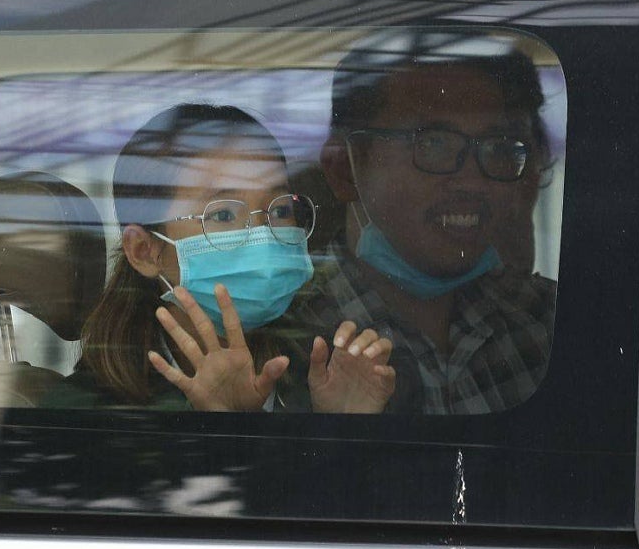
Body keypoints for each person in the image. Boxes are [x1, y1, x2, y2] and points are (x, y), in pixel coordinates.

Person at [45, 103, 395, 412]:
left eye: (279, 211)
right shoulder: (81, 414)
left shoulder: (332, 366)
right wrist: (222, 432)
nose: (263, 236)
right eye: (223, 215)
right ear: (144, 252)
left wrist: (339, 427)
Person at [313, 29, 557, 414]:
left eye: (499, 148)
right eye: (433, 144)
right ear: (345, 169)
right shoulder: (286, 342)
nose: (473, 181)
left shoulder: (544, 321)